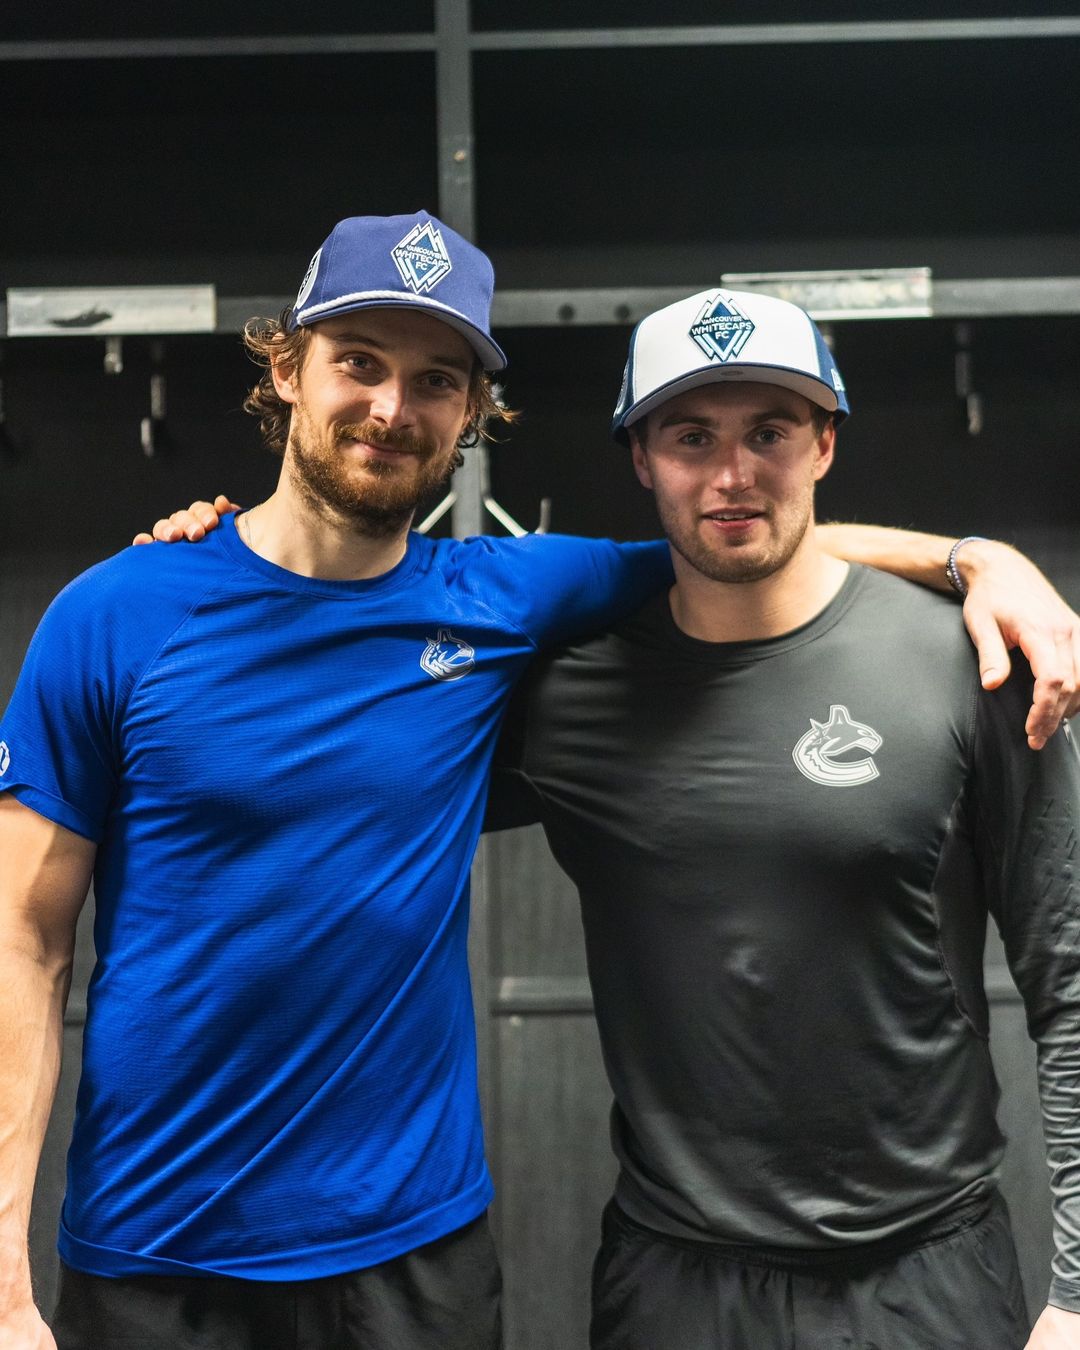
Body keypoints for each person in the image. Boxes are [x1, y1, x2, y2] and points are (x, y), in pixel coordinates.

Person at [0, 216, 1076, 1350]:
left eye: (436, 380)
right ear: (286, 367)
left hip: (416, 1262)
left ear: (471, 414)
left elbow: (742, 543)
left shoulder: (505, 600)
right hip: (158, 1257)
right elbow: (21, 947)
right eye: (358, 360)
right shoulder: (115, 612)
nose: (390, 406)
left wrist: (979, 557)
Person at [483, 287, 1080, 1349]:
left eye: (770, 432)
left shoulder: (970, 662)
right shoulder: (569, 697)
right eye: (690, 436)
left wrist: (1078, 1293)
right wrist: (209, 552)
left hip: (925, 1276)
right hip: (674, 1285)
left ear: (825, 444)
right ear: (639, 456)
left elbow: (1073, 985)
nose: (730, 474)